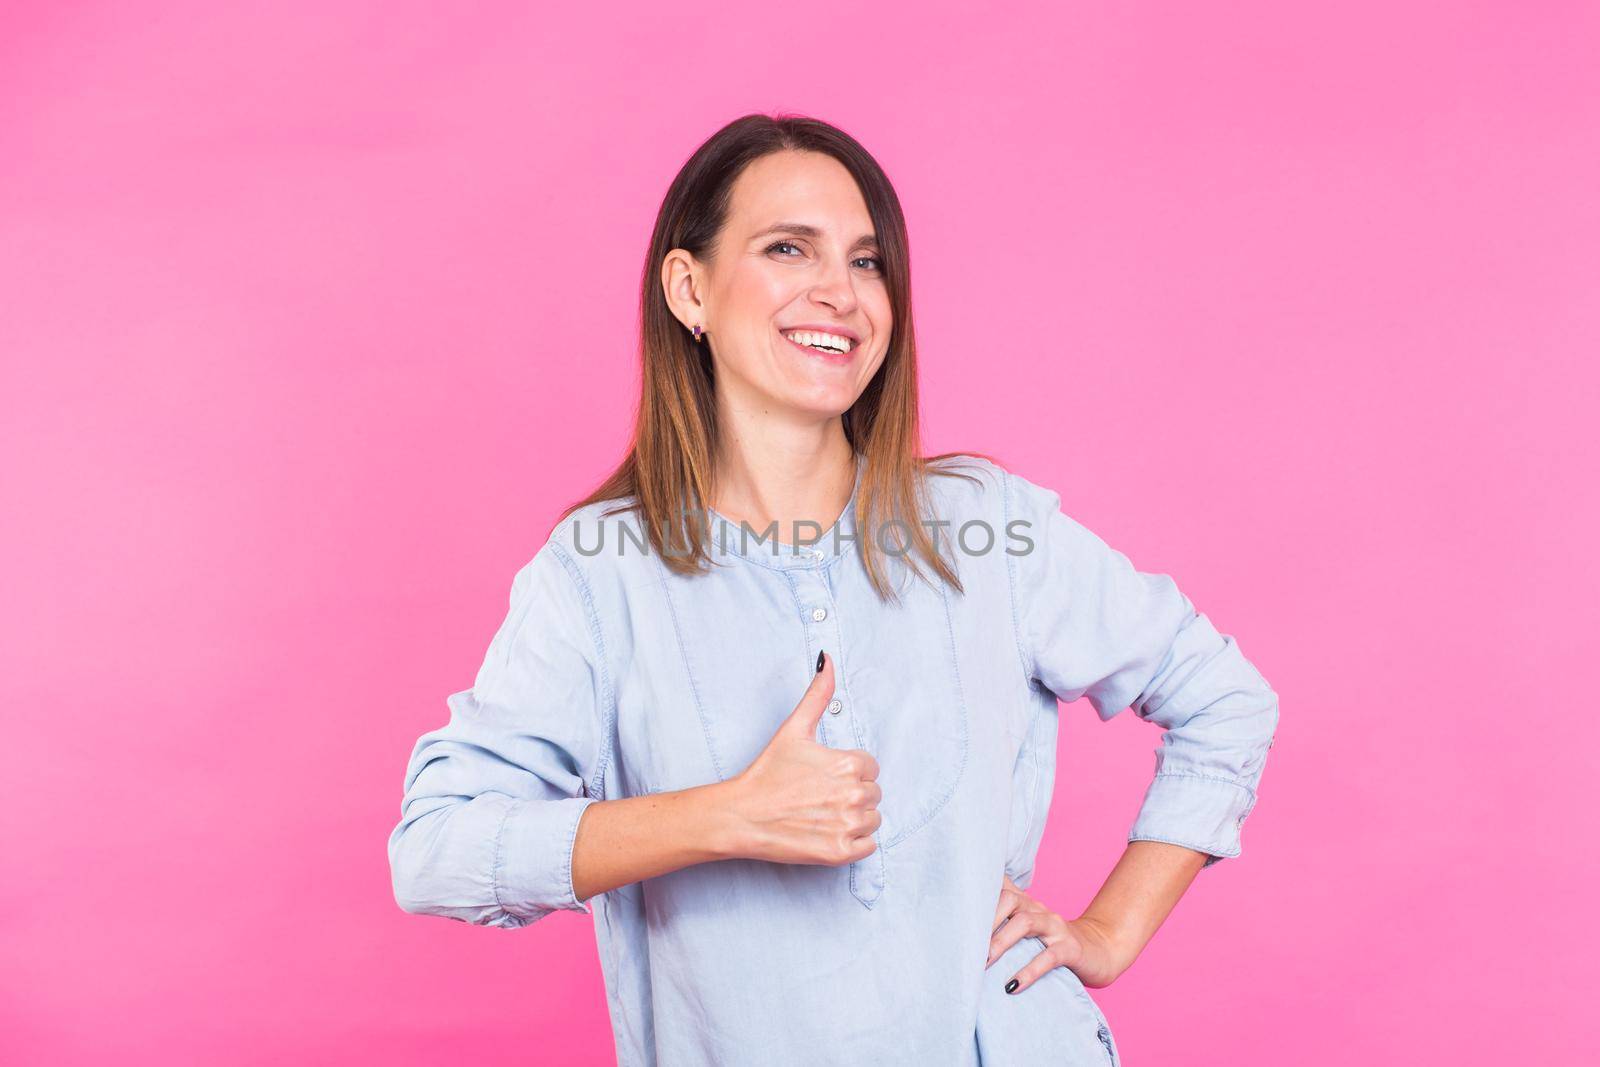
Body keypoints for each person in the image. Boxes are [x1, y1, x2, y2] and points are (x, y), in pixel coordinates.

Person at [387, 113, 1279, 1066]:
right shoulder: (602, 571)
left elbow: (1224, 699)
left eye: (866, 261)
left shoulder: (988, 528)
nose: (840, 294)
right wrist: (726, 814)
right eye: (787, 248)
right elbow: (436, 850)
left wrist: (1109, 931)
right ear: (689, 288)